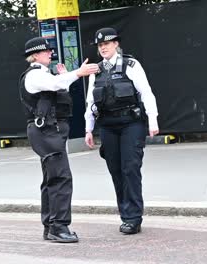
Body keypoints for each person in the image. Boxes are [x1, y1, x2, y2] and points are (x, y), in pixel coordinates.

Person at [19, 37, 99, 242]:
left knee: (51, 179)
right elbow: (55, 84)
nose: (50, 54)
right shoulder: (35, 75)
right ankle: (58, 227)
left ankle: (50, 226)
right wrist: (77, 73)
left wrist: (67, 76)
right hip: (46, 132)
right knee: (61, 178)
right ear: (35, 55)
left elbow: (58, 89)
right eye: (46, 51)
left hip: (49, 131)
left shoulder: (45, 74)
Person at [84, 27, 159, 234]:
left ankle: (133, 217)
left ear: (116, 44)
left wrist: (153, 120)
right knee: (115, 170)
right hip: (108, 126)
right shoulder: (96, 70)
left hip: (131, 124)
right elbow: (91, 101)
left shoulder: (130, 65)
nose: (103, 47)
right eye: (100, 45)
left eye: (107, 43)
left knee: (130, 168)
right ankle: (125, 214)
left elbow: (147, 93)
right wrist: (88, 129)